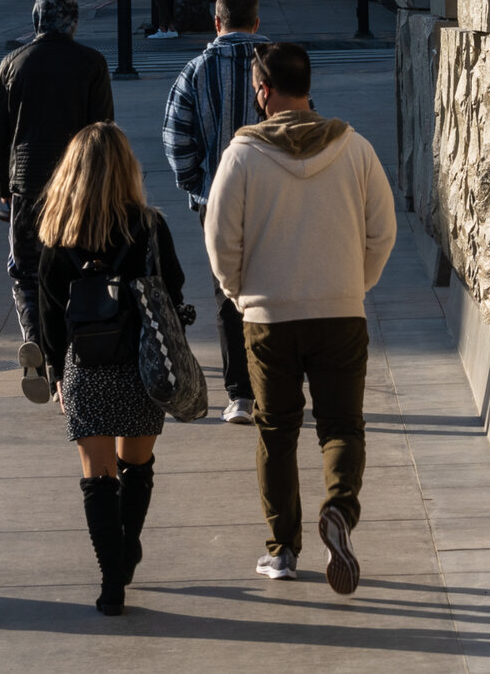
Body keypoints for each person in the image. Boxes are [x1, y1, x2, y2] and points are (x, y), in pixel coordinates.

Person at [204, 42, 395, 594]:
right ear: (308, 86)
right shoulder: (354, 149)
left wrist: (241, 295)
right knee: (341, 426)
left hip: (269, 318)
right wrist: (354, 284)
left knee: (277, 431)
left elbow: (221, 242)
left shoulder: (241, 156)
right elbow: (382, 230)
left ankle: (282, 548)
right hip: (340, 311)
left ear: (263, 91)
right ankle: (339, 507)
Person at [34, 122, 189, 617]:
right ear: (127, 169)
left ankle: (111, 582)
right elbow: (175, 291)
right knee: (136, 466)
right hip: (141, 363)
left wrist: (57, 371)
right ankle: (127, 551)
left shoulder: (57, 236)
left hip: (86, 364)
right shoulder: (149, 226)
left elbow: (48, 316)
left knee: (97, 476)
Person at [0, 0, 114, 399]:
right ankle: (73, 355)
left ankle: (37, 343)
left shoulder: (12, 64)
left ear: (37, 19)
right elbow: (103, 131)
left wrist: (5, 188)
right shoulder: (92, 63)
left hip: (28, 184)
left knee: (26, 273)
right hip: (78, 187)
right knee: (79, 269)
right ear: (73, 22)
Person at [161, 0, 271, 424]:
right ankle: (271, 383)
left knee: (227, 291)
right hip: (272, 197)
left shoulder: (196, 69)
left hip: (216, 200)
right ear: (256, 22)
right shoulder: (276, 63)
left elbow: (175, 136)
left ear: (217, 22)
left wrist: (196, 185)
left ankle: (239, 394)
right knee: (271, 287)